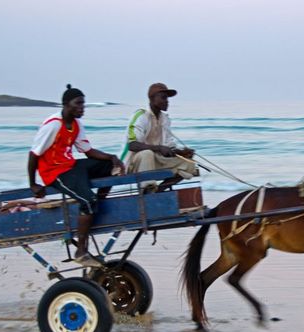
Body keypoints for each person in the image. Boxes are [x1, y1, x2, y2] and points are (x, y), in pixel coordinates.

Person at [28, 84, 125, 267]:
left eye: (84, 104)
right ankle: (81, 251)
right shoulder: (54, 125)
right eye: (78, 104)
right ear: (66, 104)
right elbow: (34, 154)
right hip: (54, 172)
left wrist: (112, 158)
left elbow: (87, 151)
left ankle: (97, 202)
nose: (82, 108)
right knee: (87, 201)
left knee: (107, 166)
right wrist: (33, 184)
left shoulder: (76, 124)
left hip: (70, 165)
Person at [122, 82, 197, 191]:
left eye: (167, 99)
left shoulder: (165, 119)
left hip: (156, 160)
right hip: (136, 163)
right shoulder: (141, 116)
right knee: (147, 154)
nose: (167, 101)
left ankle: (158, 191)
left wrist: (181, 152)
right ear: (152, 98)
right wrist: (159, 148)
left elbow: (168, 147)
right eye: (163, 98)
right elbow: (132, 145)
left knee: (189, 164)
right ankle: (148, 189)